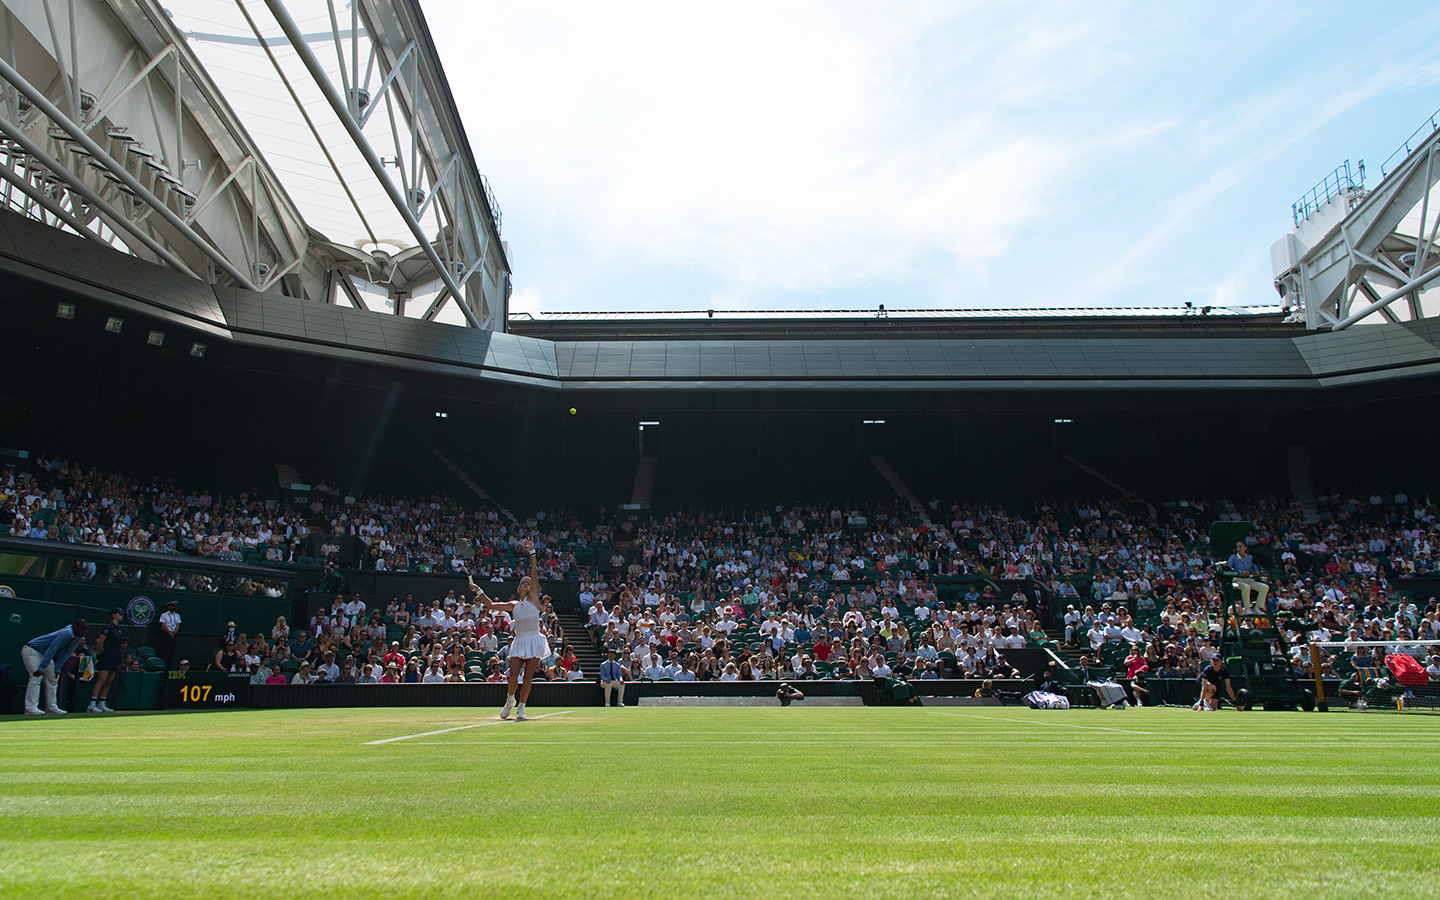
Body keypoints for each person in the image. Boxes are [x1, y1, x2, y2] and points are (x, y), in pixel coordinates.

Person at [475, 539, 549, 720]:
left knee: (527, 678)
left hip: (534, 639)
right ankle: (510, 701)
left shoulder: (533, 599)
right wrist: (478, 590)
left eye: (528, 583)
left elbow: (533, 573)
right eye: (523, 583)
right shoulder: (513, 604)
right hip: (519, 640)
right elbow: (491, 604)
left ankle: (522, 707)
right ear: (518, 588)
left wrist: (532, 552)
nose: (527, 583)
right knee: (513, 674)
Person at [22, 617, 87, 715]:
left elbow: (66, 653)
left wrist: (58, 668)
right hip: (32, 650)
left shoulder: (77, 637)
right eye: (83, 629)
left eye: (86, 630)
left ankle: (51, 707)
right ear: (76, 627)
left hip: (44, 654)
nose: (84, 632)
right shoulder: (67, 633)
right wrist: (42, 668)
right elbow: (52, 649)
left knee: (53, 678)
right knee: (36, 677)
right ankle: (30, 708)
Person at [87, 607, 125, 713]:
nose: (121, 616)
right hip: (106, 656)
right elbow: (101, 642)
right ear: (114, 615)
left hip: (115, 656)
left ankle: (102, 703)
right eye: (119, 614)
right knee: (101, 680)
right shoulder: (108, 627)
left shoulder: (118, 629)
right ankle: (91, 705)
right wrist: (100, 654)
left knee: (109, 681)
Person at [1226, 541, 1269, 613]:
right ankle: (1247, 608)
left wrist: (1256, 573)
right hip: (1237, 580)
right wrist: (1240, 572)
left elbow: (1255, 569)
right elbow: (1229, 569)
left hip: (1249, 580)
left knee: (1265, 587)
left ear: (1245, 547)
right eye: (1237, 547)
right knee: (1246, 587)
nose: (1238, 548)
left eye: (1240, 546)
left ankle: (1257, 608)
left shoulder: (1250, 557)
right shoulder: (1233, 557)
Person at [157, 601, 181, 668]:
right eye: (171, 606)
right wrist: (169, 633)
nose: (172, 607)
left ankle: (168, 666)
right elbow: (163, 624)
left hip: (174, 634)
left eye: (173, 606)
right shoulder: (164, 615)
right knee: (163, 650)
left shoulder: (177, 615)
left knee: (171, 651)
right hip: (165, 634)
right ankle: (162, 666)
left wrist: (174, 632)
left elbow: (178, 624)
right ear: (168, 607)